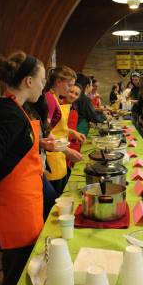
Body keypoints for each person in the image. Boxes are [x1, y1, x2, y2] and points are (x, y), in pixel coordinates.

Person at [0, 51, 46, 285]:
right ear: (28, 81)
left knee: (20, 274)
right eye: (42, 80)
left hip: (25, 207)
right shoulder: (9, 113)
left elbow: (13, 148)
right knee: (15, 280)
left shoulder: (12, 108)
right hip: (14, 213)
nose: (44, 87)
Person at [44, 66, 84, 196]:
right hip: (52, 157)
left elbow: (57, 128)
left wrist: (73, 133)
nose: (70, 89)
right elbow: (45, 131)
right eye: (69, 85)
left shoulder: (55, 98)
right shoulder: (50, 99)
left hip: (58, 154)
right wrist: (67, 150)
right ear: (58, 82)